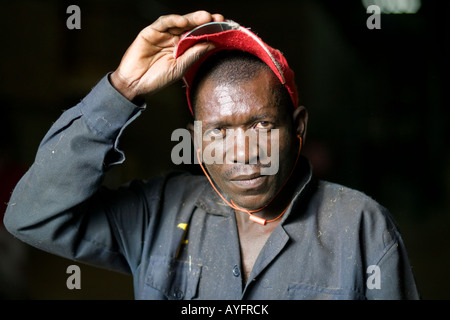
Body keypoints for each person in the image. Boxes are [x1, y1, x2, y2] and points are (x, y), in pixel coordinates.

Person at [4, 11, 419, 299]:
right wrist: (122, 88)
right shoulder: (159, 212)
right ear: (197, 141)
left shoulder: (362, 229)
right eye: (218, 131)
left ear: (299, 128)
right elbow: (32, 217)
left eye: (261, 125)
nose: (242, 153)